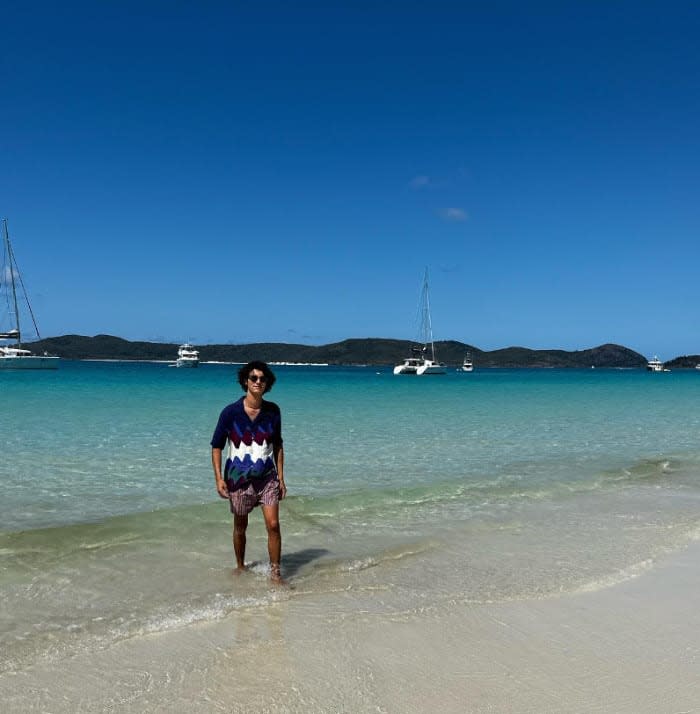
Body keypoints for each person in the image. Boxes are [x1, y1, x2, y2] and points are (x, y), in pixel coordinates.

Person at [211, 360, 287, 583]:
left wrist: (281, 477)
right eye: (254, 378)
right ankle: (240, 566)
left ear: (267, 384)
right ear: (245, 381)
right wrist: (218, 479)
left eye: (262, 379)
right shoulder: (230, 413)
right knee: (240, 527)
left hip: (267, 478)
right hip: (238, 479)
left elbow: (278, 445)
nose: (258, 382)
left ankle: (275, 574)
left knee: (273, 525)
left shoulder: (273, 411)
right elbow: (216, 446)